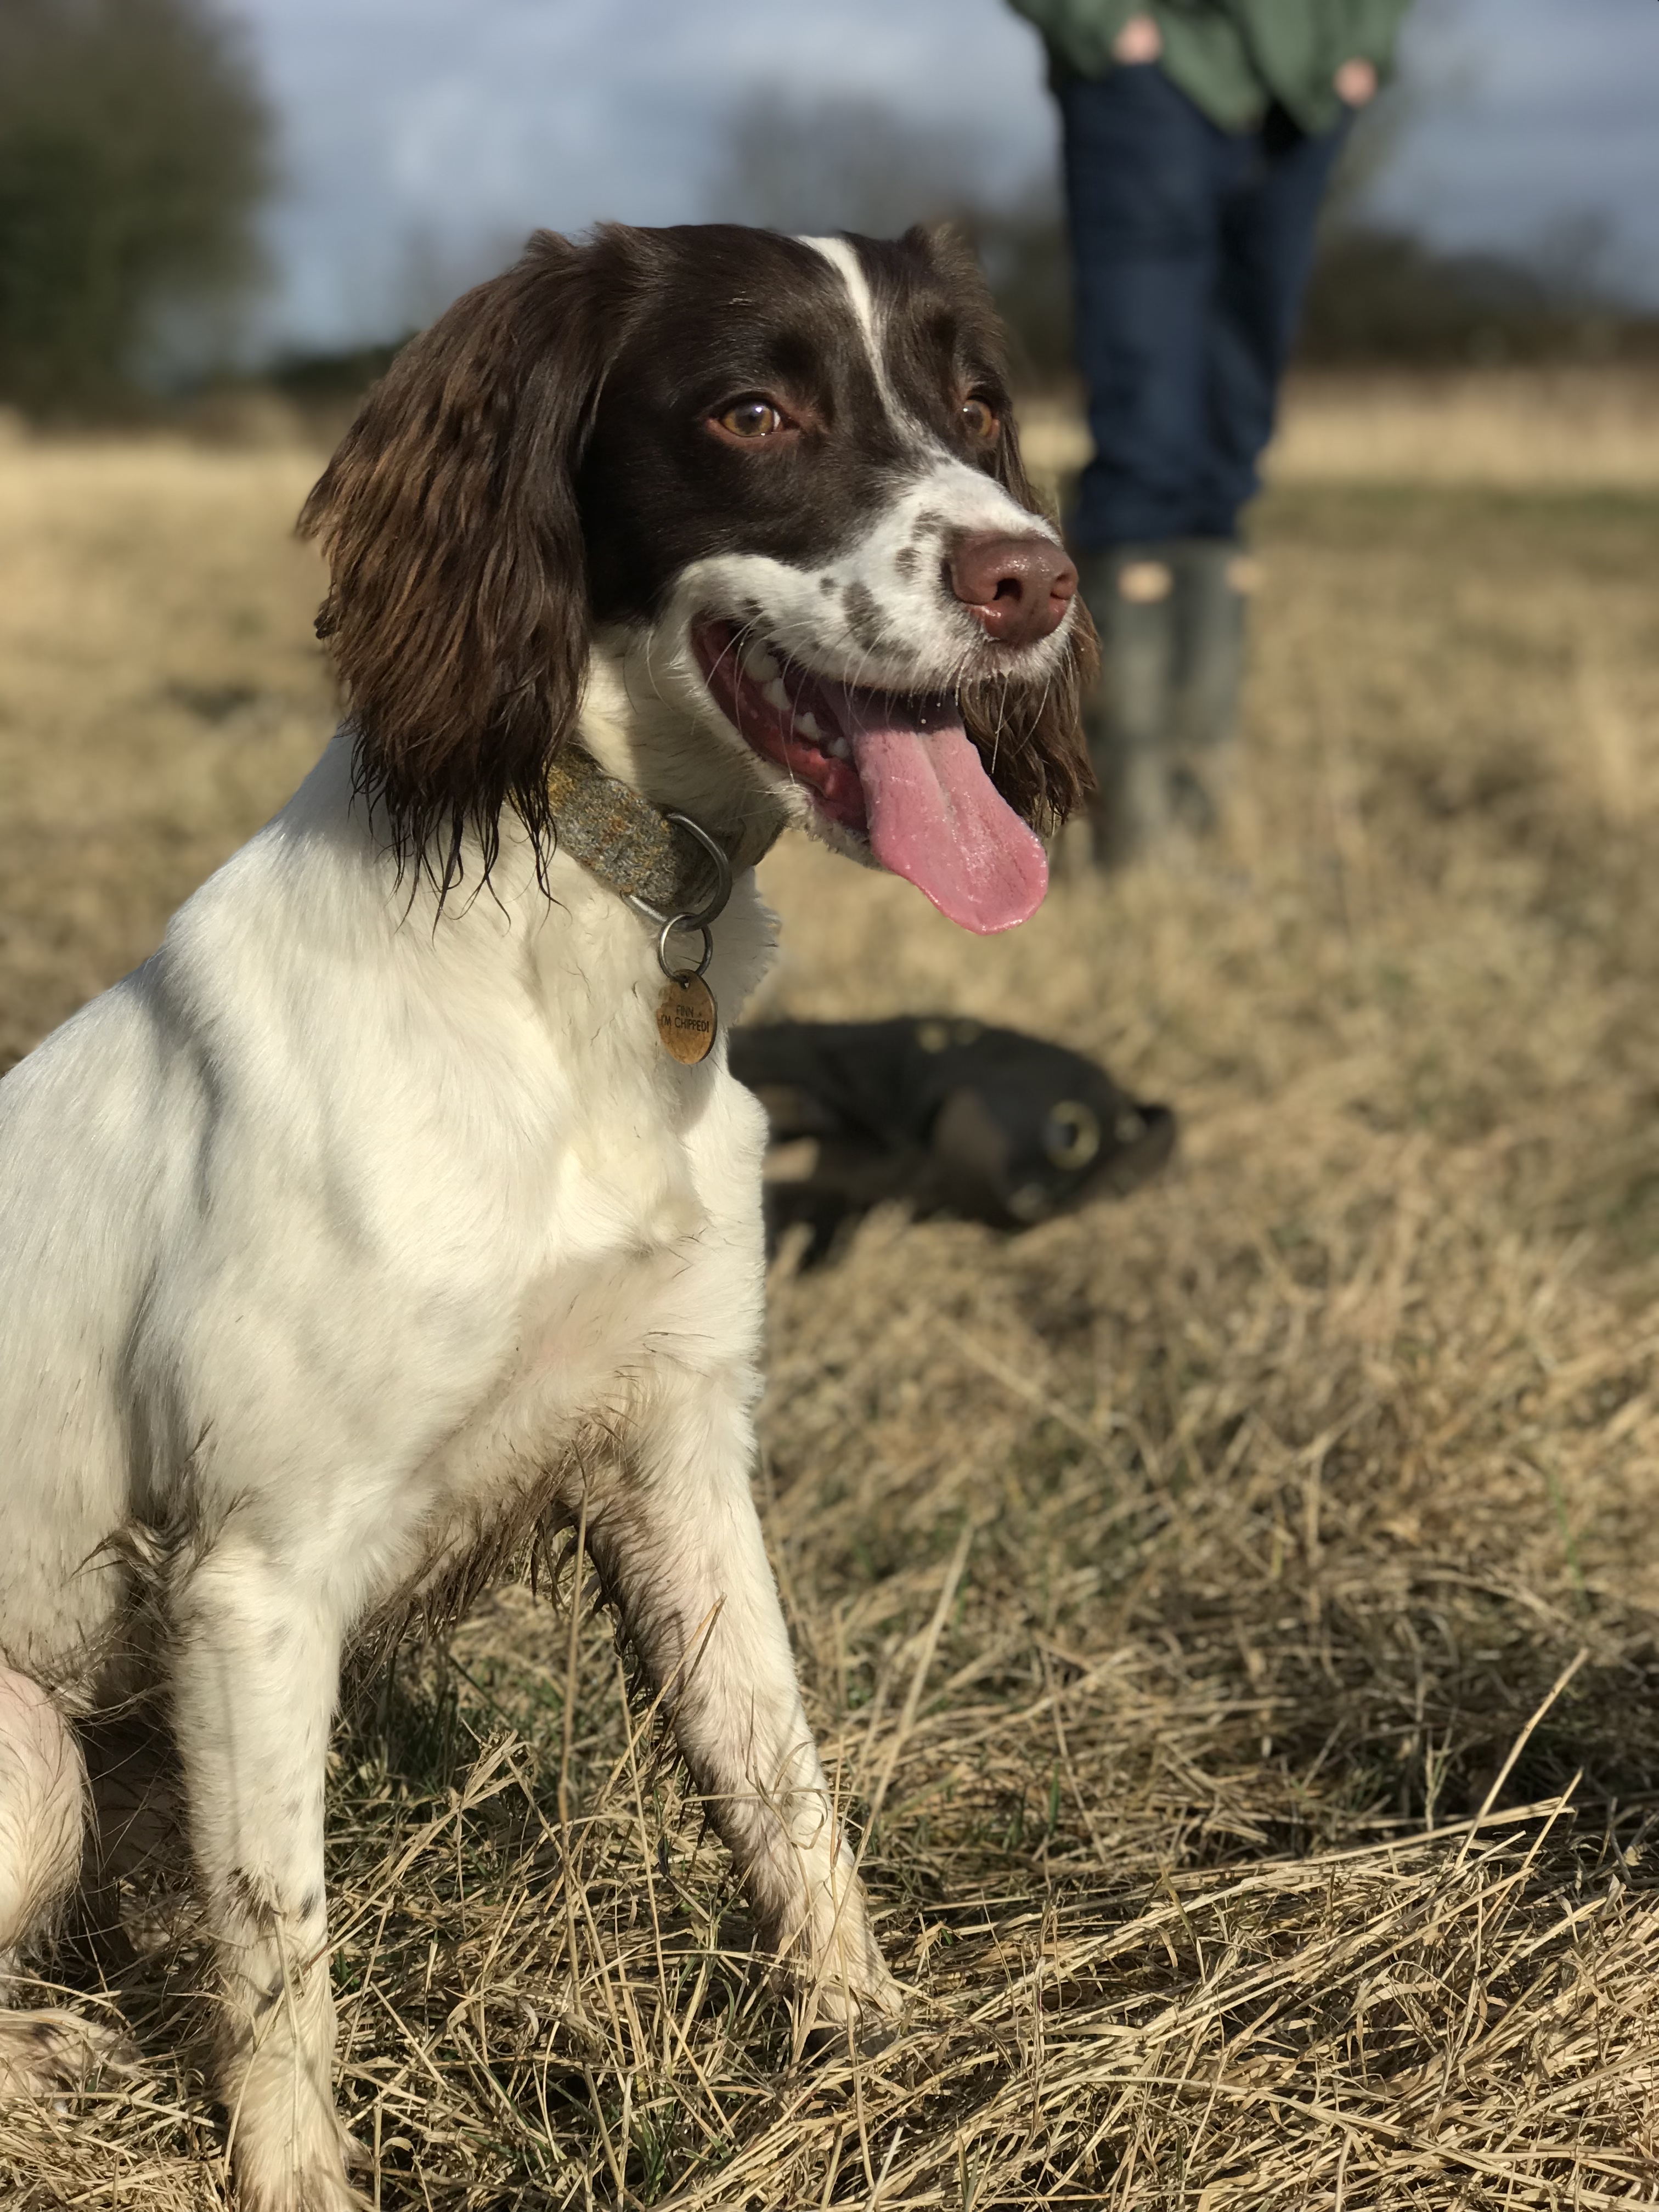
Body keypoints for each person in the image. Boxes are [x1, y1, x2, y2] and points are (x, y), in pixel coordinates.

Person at [1007, 0, 1413, 862]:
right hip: (1160, 65)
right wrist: (1099, 26)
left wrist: (1366, 45)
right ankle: (1115, 822)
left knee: (1231, 446)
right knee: (1147, 441)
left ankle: (1194, 811)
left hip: (1307, 84)